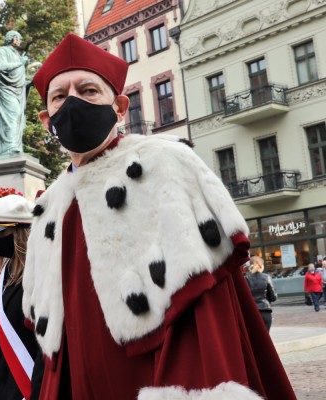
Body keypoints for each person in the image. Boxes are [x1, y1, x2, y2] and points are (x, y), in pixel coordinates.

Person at [21, 33, 295, 399]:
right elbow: (54, 350)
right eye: (60, 96)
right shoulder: (49, 207)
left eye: (88, 91)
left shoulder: (163, 166)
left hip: (149, 379)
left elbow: (201, 316)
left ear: (119, 107)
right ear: (46, 119)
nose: (73, 102)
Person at [0, 195, 41, 400]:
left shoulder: (39, 276)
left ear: (21, 232)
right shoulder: (1, 277)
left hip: (27, 388)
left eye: (0, 232)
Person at [0, 30, 29, 156]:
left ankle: (13, 145)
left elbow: (18, 77)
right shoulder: (1, 51)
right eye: (19, 38)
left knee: (18, 118)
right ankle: (9, 146)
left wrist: (29, 82)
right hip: (6, 90)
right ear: (13, 38)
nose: (20, 41)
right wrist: (20, 62)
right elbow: (0, 66)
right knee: (13, 114)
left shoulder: (16, 55)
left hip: (17, 91)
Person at [245, 256, 277, 331]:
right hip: (265, 310)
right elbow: (273, 297)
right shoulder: (266, 277)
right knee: (266, 338)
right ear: (261, 266)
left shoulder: (246, 279)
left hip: (251, 312)